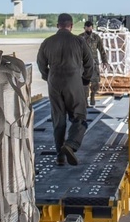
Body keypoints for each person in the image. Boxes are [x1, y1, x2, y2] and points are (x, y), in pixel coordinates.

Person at [37, 13, 95, 166]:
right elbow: (90, 63)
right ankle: (70, 145)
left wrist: (47, 77)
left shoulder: (47, 42)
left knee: (58, 120)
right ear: (71, 26)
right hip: (73, 81)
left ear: (58, 25)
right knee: (79, 117)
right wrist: (85, 80)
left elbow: (41, 63)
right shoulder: (79, 41)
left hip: (54, 82)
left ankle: (59, 157)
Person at [79, 20, 108, 106]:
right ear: (84, 28)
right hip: (83, 65)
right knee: (84, 83)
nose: (89, 29)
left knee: (95, 83)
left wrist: (104, 61)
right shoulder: (80, 38)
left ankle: (93, 95)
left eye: (90, 27)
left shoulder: (96, 38)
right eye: (87, 27)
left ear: (92, 27)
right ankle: (85, 100)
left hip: (94, 64)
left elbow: (102, 50)